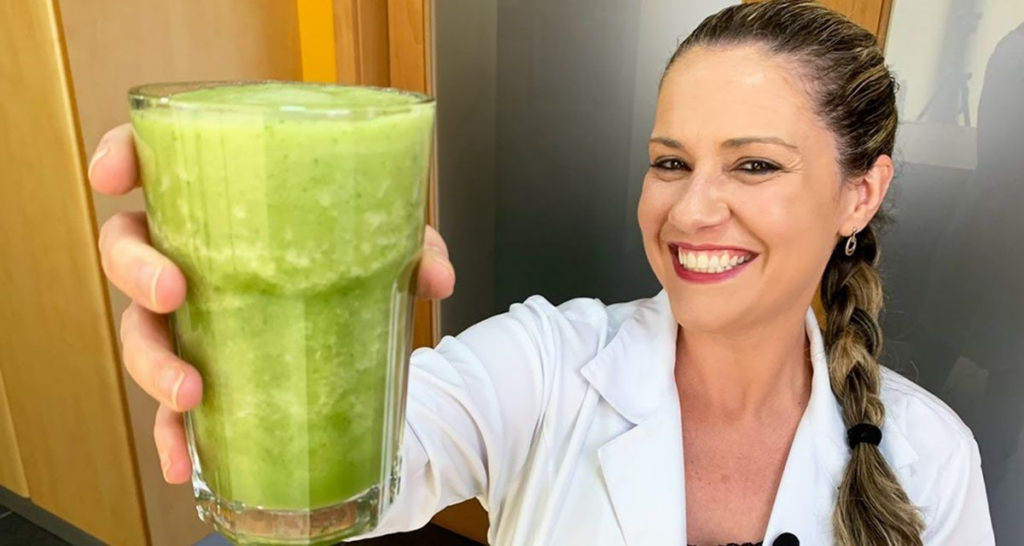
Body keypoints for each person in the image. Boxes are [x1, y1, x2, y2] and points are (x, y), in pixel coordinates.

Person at [90, 1, 994, 545]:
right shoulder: (546, 364)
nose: (690, 211)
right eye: (670, 162)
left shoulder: (934, 459)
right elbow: (344, 481)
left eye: (754, 165)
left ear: (859, 194)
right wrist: (233, 319)